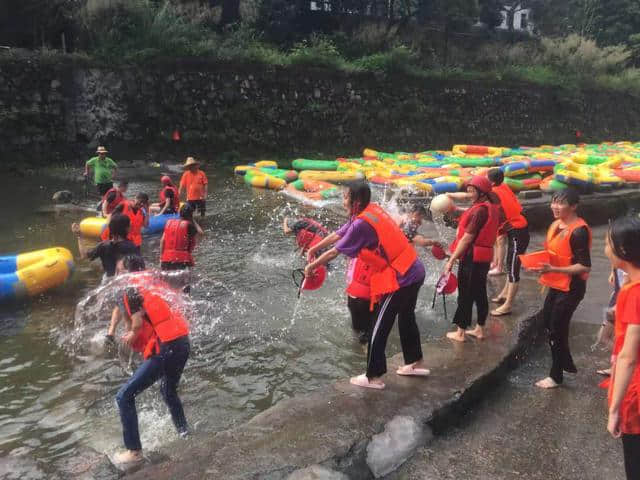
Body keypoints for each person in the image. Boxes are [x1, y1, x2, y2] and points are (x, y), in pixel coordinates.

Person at [305, 182, 429, 390]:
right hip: (415, 269)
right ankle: (414, 363)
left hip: (402, 278)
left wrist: (312, 266)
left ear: (357, 201)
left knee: (379, 326)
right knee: (407, 319)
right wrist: (313, 249)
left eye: (346, 197)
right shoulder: (371, 211)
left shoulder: (362, 223)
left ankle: (373, 377)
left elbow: (336, 251)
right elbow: (338, 234)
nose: (343, 201)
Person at [111, 254, 191, 464]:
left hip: (167, 347)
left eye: (119, 271)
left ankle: (134, 451)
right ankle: (184, 433)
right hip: (182, 341)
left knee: (124, 396)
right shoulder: (154, 282)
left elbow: (137, 323)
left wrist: (131, 335)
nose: (117, 275)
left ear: (128, 272)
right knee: (168, 390)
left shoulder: (130, 289)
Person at [530, 188, 591, 389]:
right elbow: (553, 253)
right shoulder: (557, 225)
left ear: (574, 206)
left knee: (557, 328)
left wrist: (553, 268)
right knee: (549, 323)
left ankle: (556, 375)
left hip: (572, 287)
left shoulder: (579, 231)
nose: (554, 206)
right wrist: (536, 264)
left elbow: (584, 265)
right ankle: (566, 361)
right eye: (553, 201)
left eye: (561, 203)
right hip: (556, 284)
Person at [604, 215, 640, 480]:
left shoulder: (633, 293)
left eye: (608, 244)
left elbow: (628, 357)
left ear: (624, 251)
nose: (606, 250)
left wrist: (614, 409)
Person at [444, 176, 500, 342]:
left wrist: (451, 260)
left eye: (472, 190)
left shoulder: (480, 211)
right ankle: (479, 329)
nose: (469, 193)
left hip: (471, 258)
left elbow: (467, 239)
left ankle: (460, 332)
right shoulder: (490, 206)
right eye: (468, 190)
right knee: (479, 292)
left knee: (465, 295)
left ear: (481, 192)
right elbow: (472, 213)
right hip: (483, 257)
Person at [487, 168, 530, 316]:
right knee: (509, 264)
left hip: (518, 231)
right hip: (519, 228)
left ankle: (508, 305)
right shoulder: (502, 186)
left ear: (491, 182)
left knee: (513, 269)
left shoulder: (493, 194)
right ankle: (505, 294)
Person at [71, 214, 138, 279]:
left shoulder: (103, 246)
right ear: (127, 229)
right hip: (123, 281)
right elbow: (137, 271)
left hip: (108, 280)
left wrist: (79, 236)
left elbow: (84, 255)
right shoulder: (132, 247)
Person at [160, 204, 204, 271]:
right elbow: (201, 233)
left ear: (180, 213)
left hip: (166, 259)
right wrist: (192, 219)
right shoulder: (189, 226)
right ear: (190, 215)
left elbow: (162, 241)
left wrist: (161, 257)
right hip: (181, 260)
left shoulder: (169, 223)